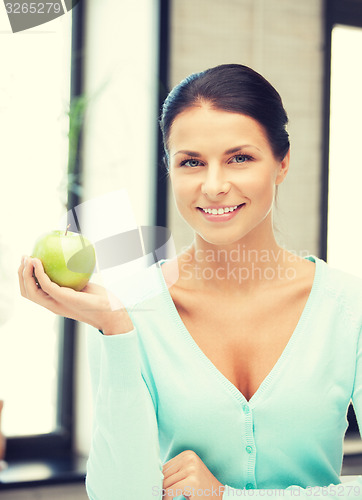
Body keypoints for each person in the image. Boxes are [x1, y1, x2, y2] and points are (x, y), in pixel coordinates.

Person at [18, 64, 362, 499]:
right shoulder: (126, 311)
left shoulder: (348, 306)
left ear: (282, 163)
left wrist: (227, 497)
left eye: (240, 158)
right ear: (170, 170)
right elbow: (118, 495)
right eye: (192, 162)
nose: (214, 185)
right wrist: (116, 330)